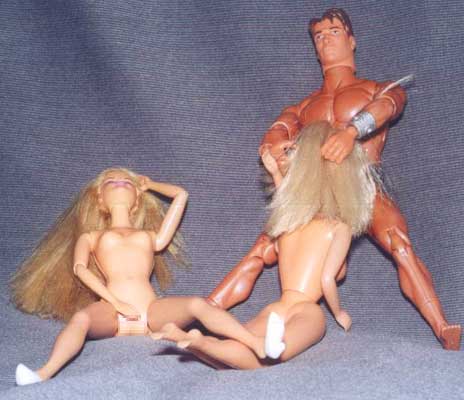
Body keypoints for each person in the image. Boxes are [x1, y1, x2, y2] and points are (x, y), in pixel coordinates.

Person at [207, 8, 461, 350]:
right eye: (319, 35)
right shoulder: (304, 106)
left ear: (351, 41)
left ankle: (442, 325)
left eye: (334, 31)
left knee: (398, 242)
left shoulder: (377, 89)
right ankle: (207, 312)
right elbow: (277, 131)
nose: (326, 39)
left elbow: (391, 103)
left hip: (363, 184)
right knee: (264, 246)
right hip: (316, 190)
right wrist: (276, 148)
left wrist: (352, 132)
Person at [155, 122, 378, 369]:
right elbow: (327, 280)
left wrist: (275, 172)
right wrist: (339, 313)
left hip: (278, 306)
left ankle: (200, 343)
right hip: (307, 309)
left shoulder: (289, 223)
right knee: (270, 356)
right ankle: (203, 344)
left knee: (240, 347)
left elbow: (285, 200)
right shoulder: (338, 228)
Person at [11, 168, 265, 385]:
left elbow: (181, 195)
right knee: (81, 319)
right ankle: (43, 373)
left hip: (151, 313)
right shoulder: (91, 237)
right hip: (112, 313)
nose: (120, 183)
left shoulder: (150, 236)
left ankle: (255, 344)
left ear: (137, 199)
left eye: (127, 182)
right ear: (99, 198)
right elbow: (80, 269)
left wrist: (150, 185)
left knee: (198, 304)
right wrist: (115, 302)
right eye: (111, 181)